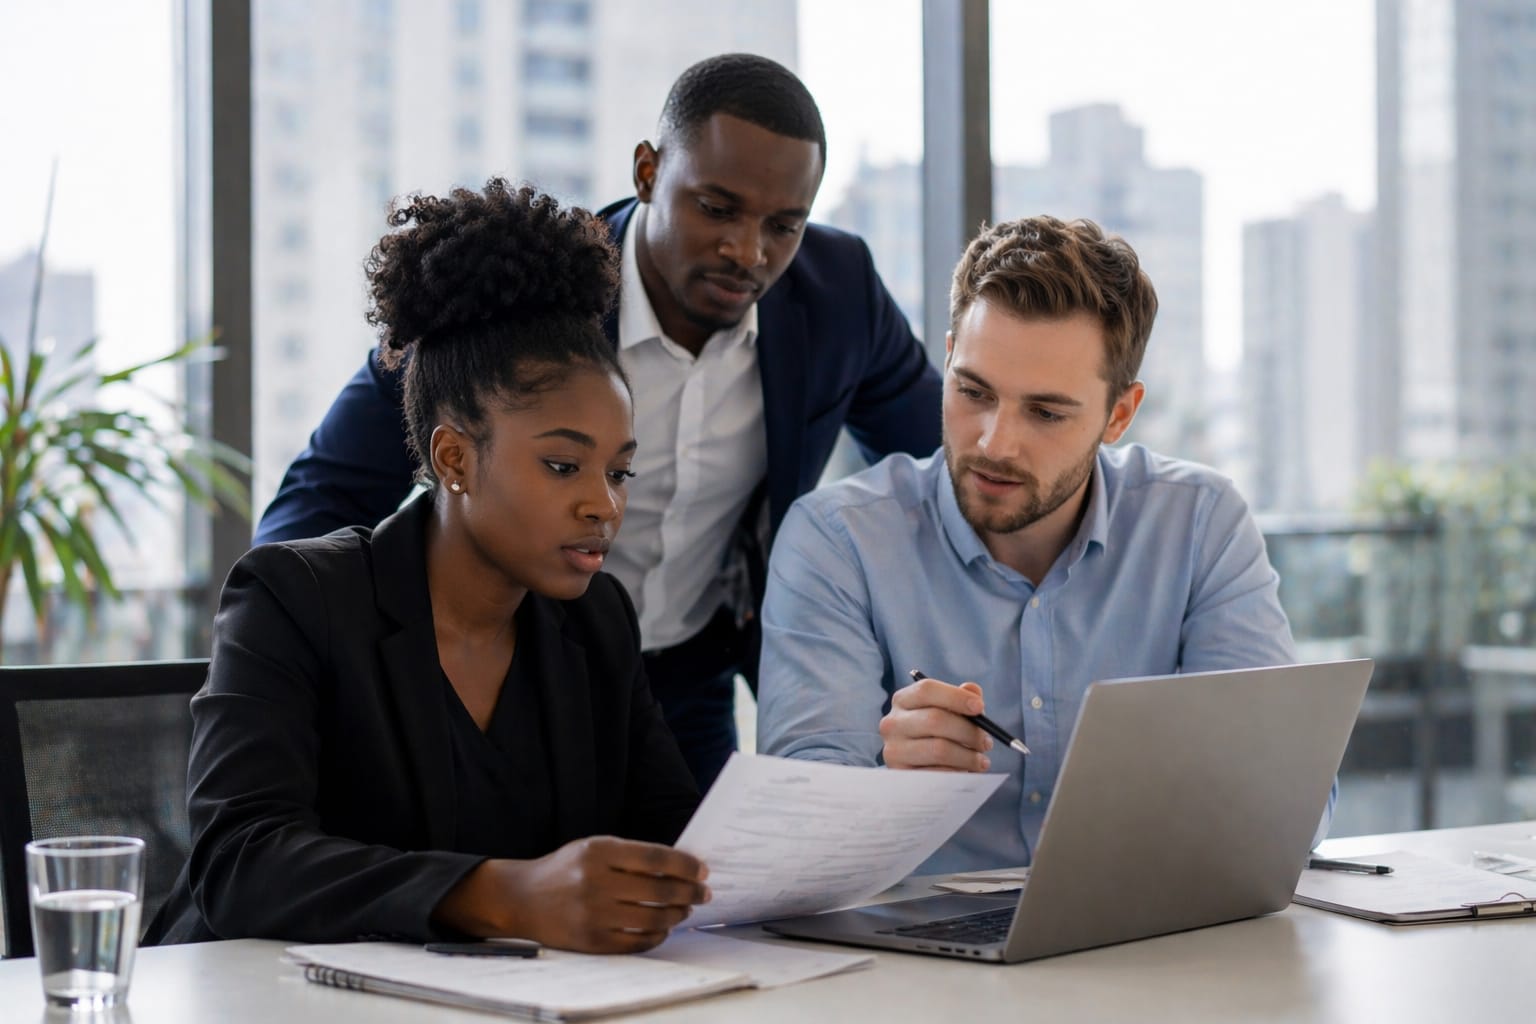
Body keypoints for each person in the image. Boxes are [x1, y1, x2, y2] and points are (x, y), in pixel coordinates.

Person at [251, 53, 943, 792]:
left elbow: (945, 461)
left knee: (706, 896)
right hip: (514, 674)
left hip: (687, 680)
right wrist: (290, 678)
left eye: (783, 224)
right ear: (647, 172)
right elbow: (324, 497)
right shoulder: (529, 294)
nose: (749, 251)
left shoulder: (837, 295)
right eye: (716, 208)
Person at [148, 181, 709, 953]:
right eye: (561, 466)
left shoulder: (596, 618)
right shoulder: (292, 598)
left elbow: (674, 841)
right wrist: (498, 895)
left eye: (618, 473)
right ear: (453, 457)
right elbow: (240, 862)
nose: (603, 507)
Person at [756, 215, 1326, 874]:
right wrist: (887, 788)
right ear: (947, 361)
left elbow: (1288, 807)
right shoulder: (837, 541)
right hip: (912, 957)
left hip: (1137, 940)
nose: (995, 443)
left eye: (1046, 413)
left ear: (1119, 414)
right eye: (973, 392)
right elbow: (797, 834)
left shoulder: (1200, 525)